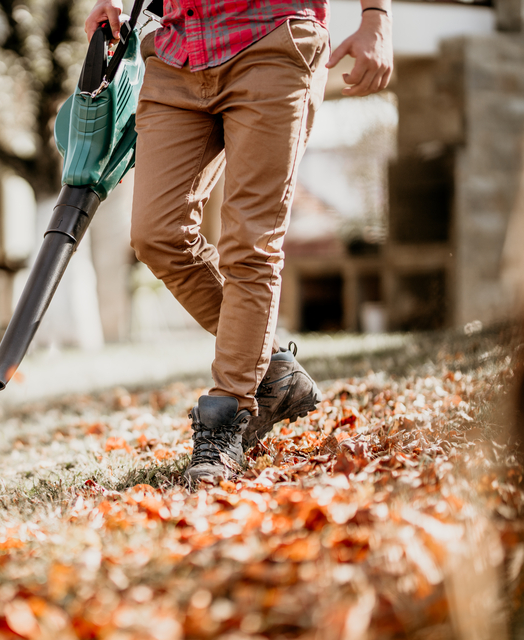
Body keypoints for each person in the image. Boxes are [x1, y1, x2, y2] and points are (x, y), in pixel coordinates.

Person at [84, 0, 393, 484]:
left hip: (271, 36)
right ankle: (272, 368)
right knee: (157, 234)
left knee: (251, 241)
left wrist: (376, 17)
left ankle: (224, 423)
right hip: (174, 50)